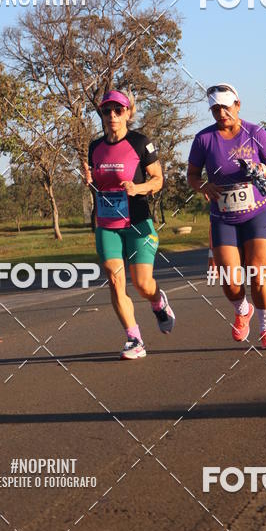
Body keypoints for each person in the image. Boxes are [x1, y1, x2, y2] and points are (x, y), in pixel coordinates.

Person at [187, 83, 266, 349]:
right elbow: (192, 176)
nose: (221, 114)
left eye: (226, 107)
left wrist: (261, 169)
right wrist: (203, 186)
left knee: (257, 271)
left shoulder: (255, 133)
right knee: (230, 280)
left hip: (259, 213)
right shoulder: (204, 139)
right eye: (215, 109)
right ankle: (243, 310)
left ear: (237, 105)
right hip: (224, 217)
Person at [83, 89, 175, 359]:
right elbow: (98, 183)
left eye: (118, 110)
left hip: (137, 222)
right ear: (101, 114)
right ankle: (134, 339)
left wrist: (138, 188)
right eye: (106, 111)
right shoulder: (94, 147)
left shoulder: (140, 143)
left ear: (128, 113)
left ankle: (158, 302)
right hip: (107, 224)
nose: (112, 115)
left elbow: (158, 180)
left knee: (143, 284)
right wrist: (90, 182)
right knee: (115, 281)